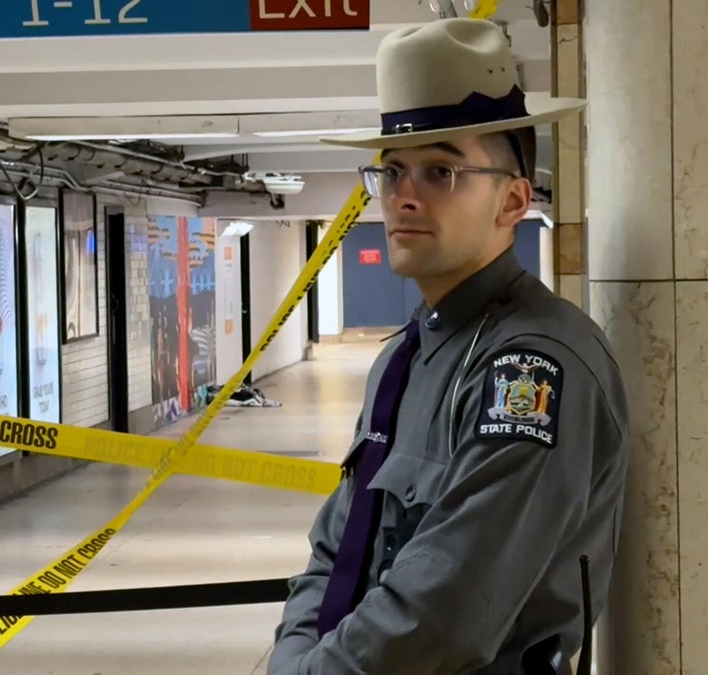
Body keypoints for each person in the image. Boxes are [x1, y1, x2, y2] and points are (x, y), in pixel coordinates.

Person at [267, 18, 630, 675]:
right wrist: (291, 659)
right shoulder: (403, 360)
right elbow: (334, 551)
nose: (404, 196)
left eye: (440, 171)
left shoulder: (534, 370)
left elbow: (445, 611)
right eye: (392, 170)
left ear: (513, 201)